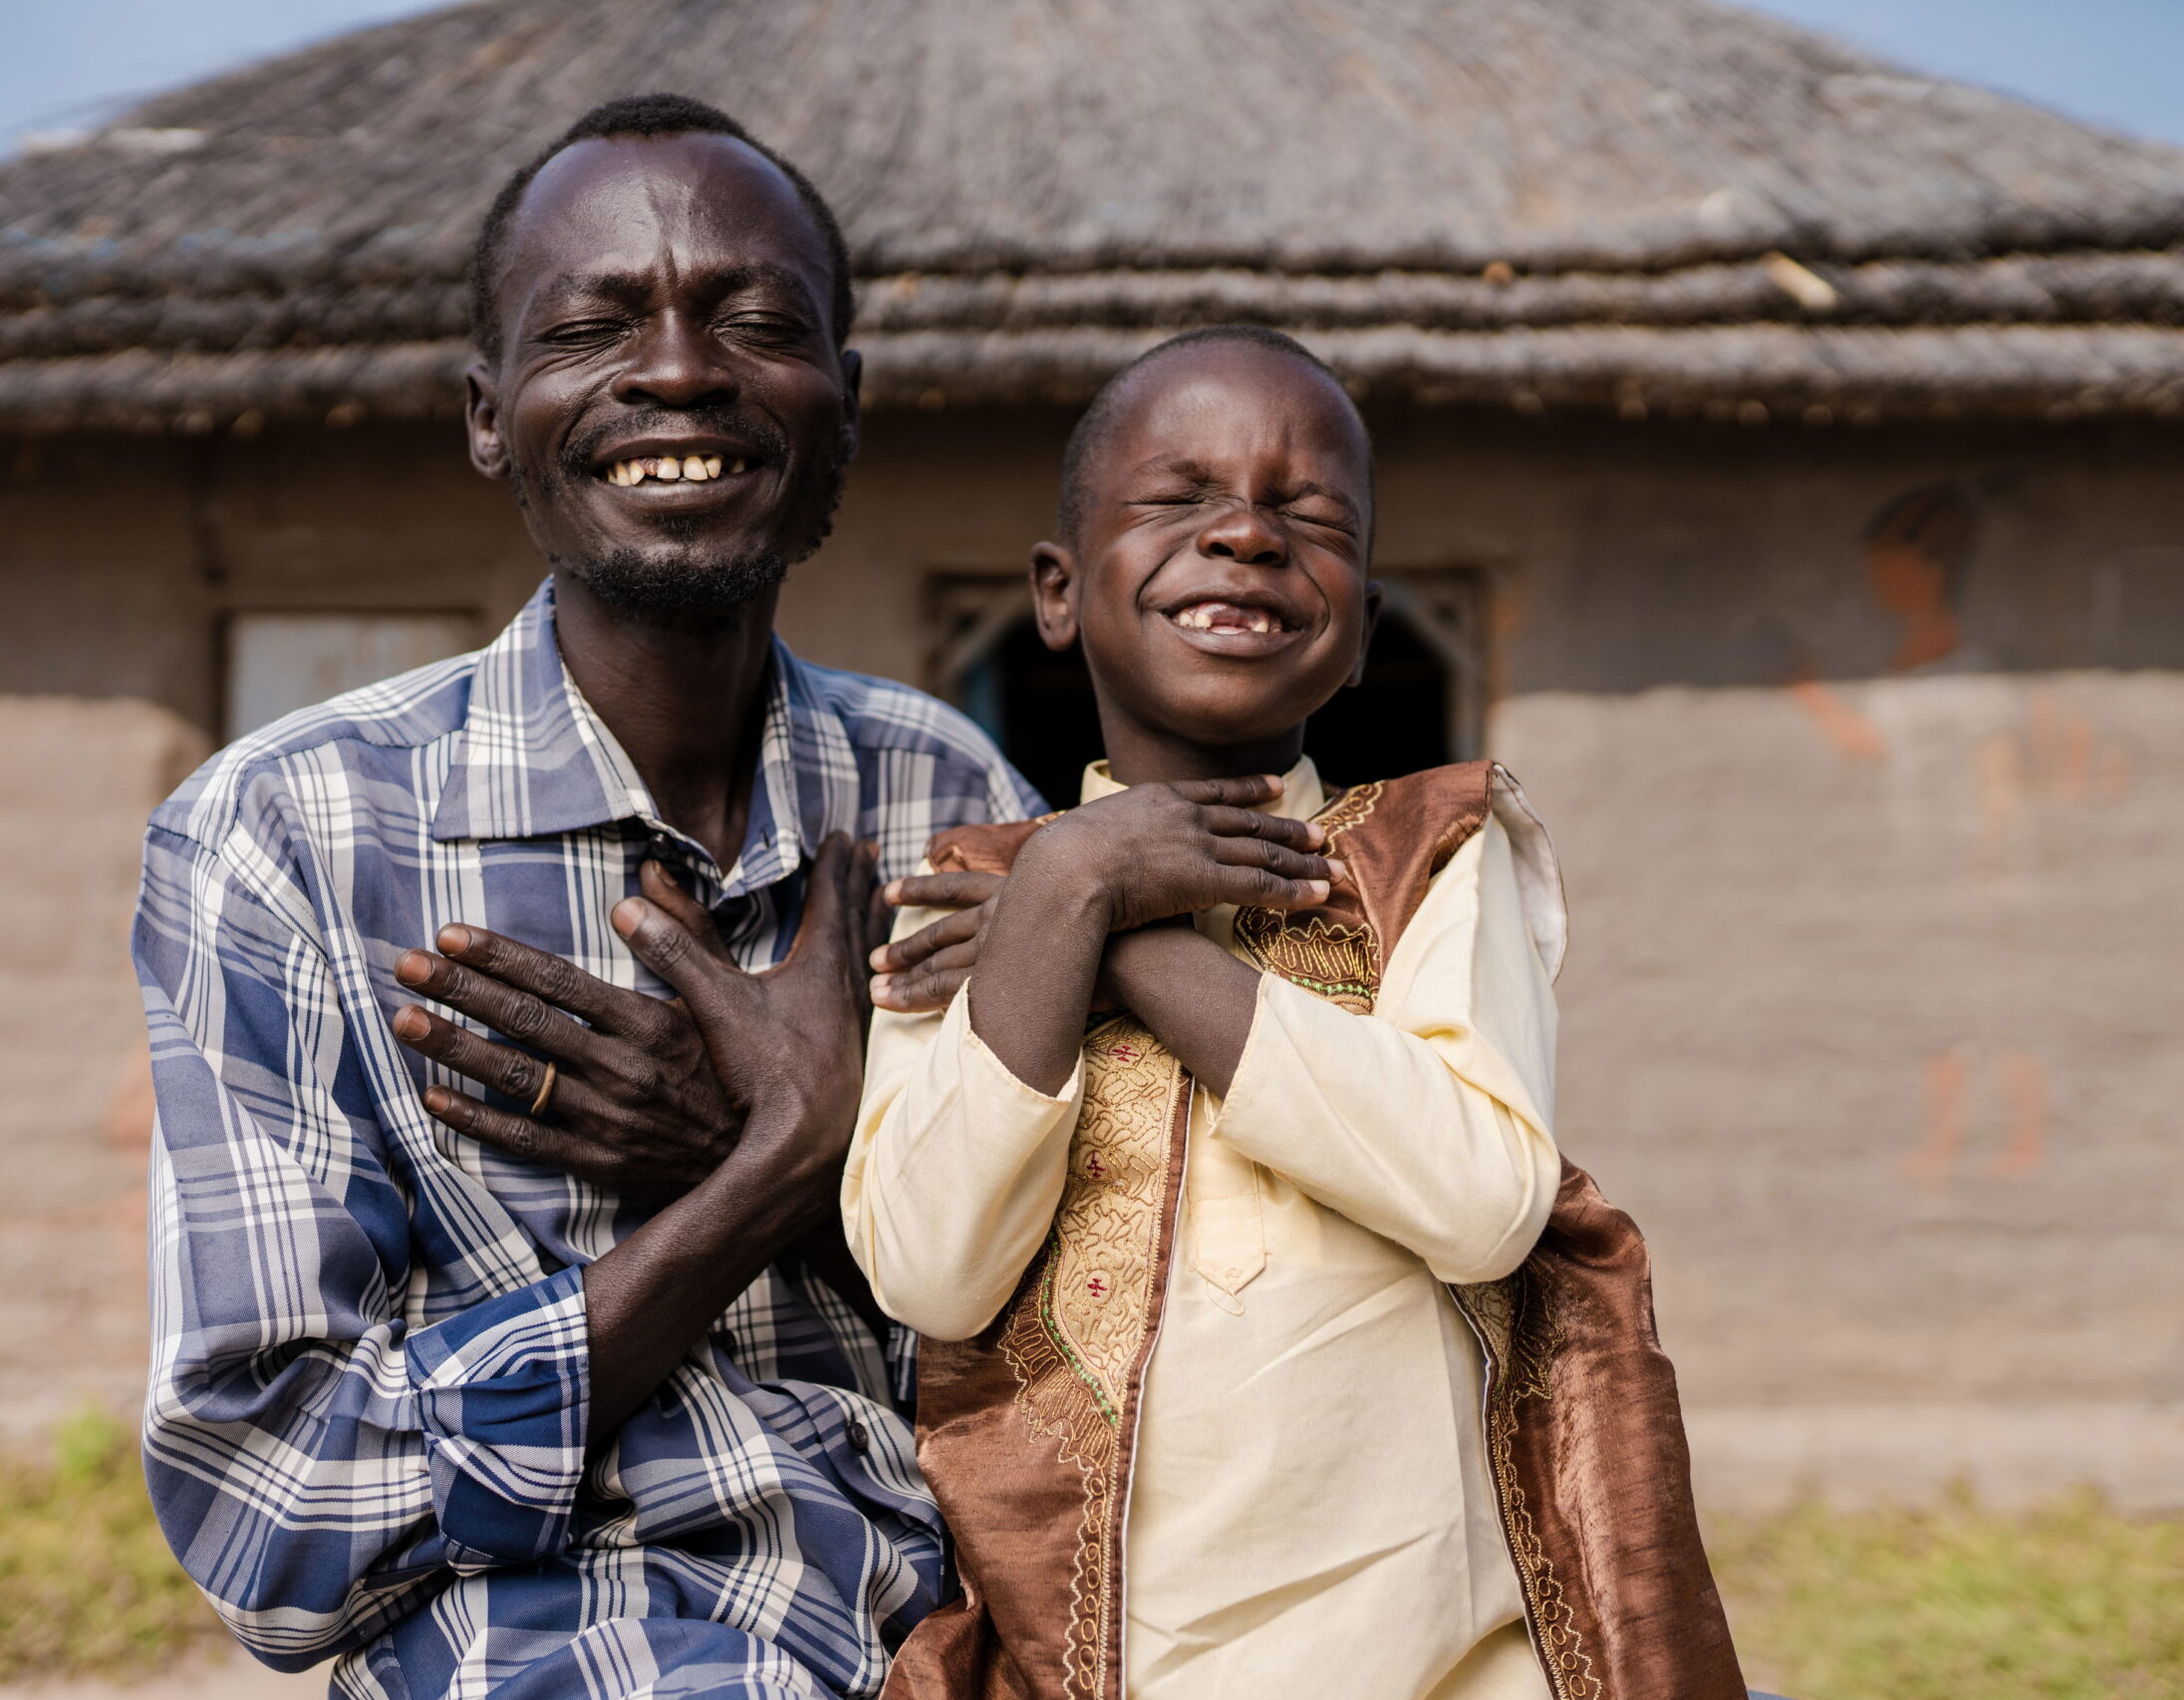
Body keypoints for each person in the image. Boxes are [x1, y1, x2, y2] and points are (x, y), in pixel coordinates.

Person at [133, 95, 1040, 1700]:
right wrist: (768, 1169)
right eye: (594, 325)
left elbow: (1078, 1354)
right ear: (493, 412)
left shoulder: (946, 799)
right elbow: (274, 1520)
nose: (682, 371)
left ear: (846, 405)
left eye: (757, 322)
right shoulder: (287, 834)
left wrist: (759, 1151)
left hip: (948, 1645)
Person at [836, 328, 1747, 1700]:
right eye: (1180, 497)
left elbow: (1483, 1195)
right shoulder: (972, 901)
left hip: (1446, 1669)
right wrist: (1058, 895)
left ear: (1363, 626)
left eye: (1306, 513)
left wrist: (1115, 928)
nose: (1247, 535)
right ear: (1058, 590)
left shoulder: (1436, 854)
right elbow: (930, 1269)